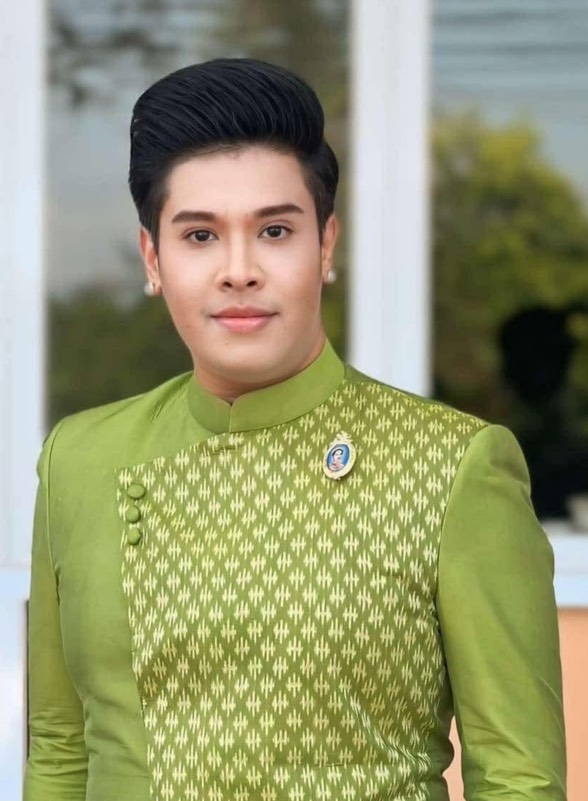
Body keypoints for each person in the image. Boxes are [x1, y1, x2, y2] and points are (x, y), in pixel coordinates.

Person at [24, 58, 566, 801]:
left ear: (325, 245)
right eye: (200, 235)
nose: (239, 270)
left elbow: (518, 776)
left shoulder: (452, 466)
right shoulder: (79, 461)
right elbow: (60, 749)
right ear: (153, 258)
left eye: (275, 230)